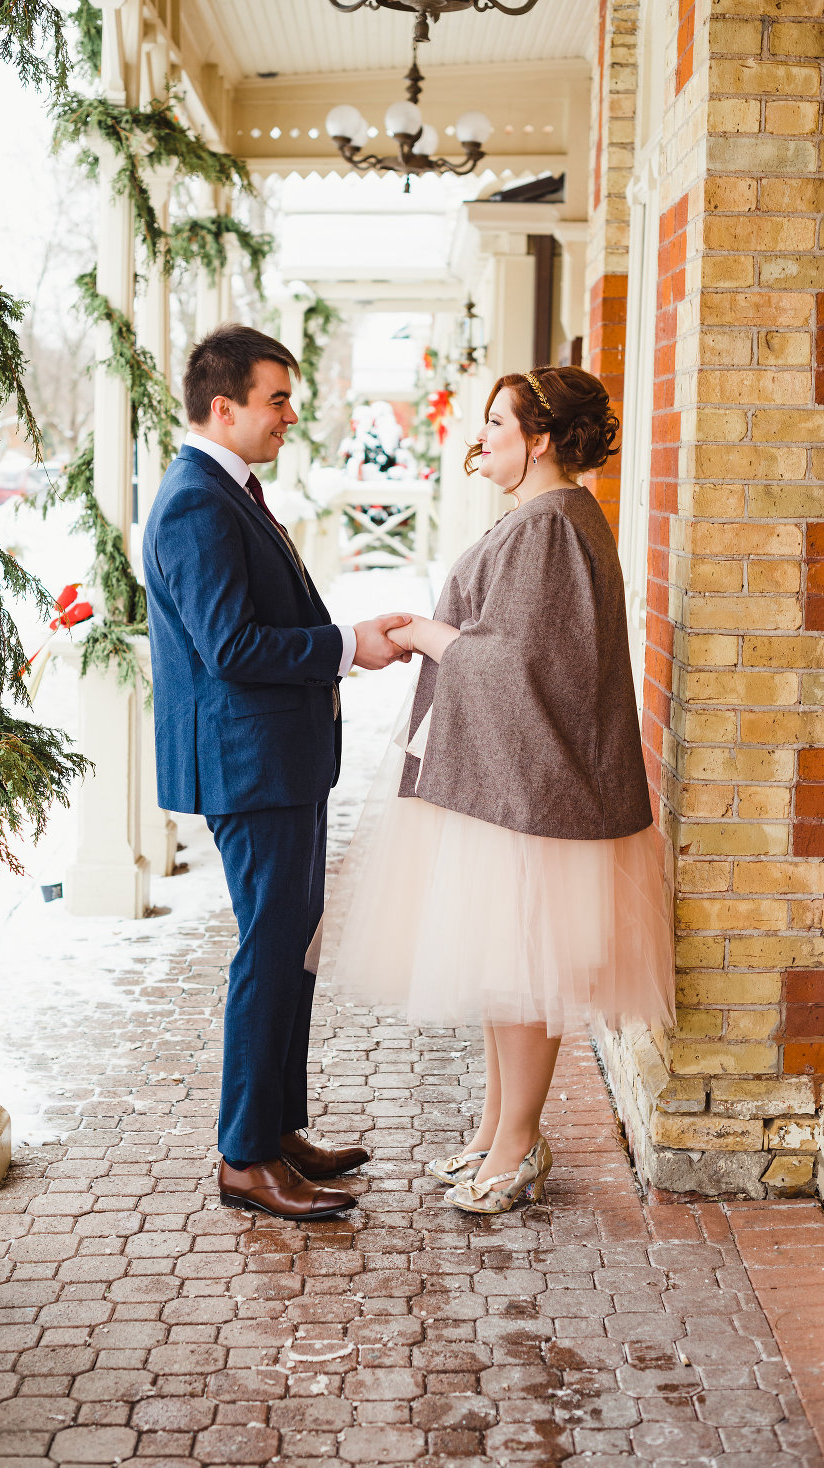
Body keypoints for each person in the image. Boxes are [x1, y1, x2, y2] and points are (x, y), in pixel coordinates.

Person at [316, 365, 675, 1216]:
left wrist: (430, 633)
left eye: (496, 424)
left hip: (531, 791)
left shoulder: (550, 526)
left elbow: (524, 666)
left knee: (520, 969)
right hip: (511, 781)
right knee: (500, 965)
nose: (480, 438)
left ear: (540, 439)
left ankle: (517, 1144)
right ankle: (493, 1130)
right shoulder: (541, 519)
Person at [142, 324, 410, 1222]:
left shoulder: (233, 492)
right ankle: (245, 1156)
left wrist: (346, 644)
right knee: (269, 948)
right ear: (225, 408)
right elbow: (231, 646)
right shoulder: (195, 502)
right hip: (249, 766)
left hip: (280, 760)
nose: (290, 416)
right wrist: (347, 647)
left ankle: (279, 1129)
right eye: (277, 400)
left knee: (294, 942)